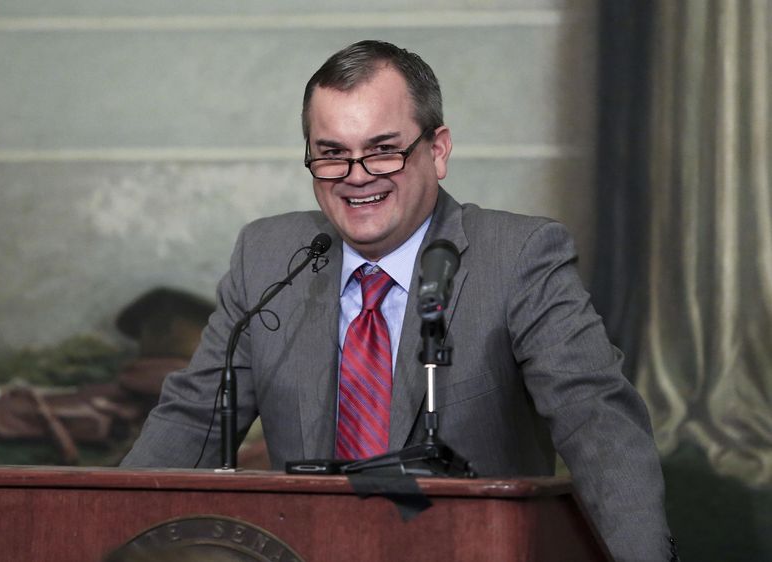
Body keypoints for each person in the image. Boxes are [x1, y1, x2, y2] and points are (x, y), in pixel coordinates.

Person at [122, 40, 676, 561]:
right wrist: (104, 533)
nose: (357, 178)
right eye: (332, 154)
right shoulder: (268, 256)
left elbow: (598, 426)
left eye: (383, 151)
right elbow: (193, 421)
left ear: (437, 151)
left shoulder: (519, 258)